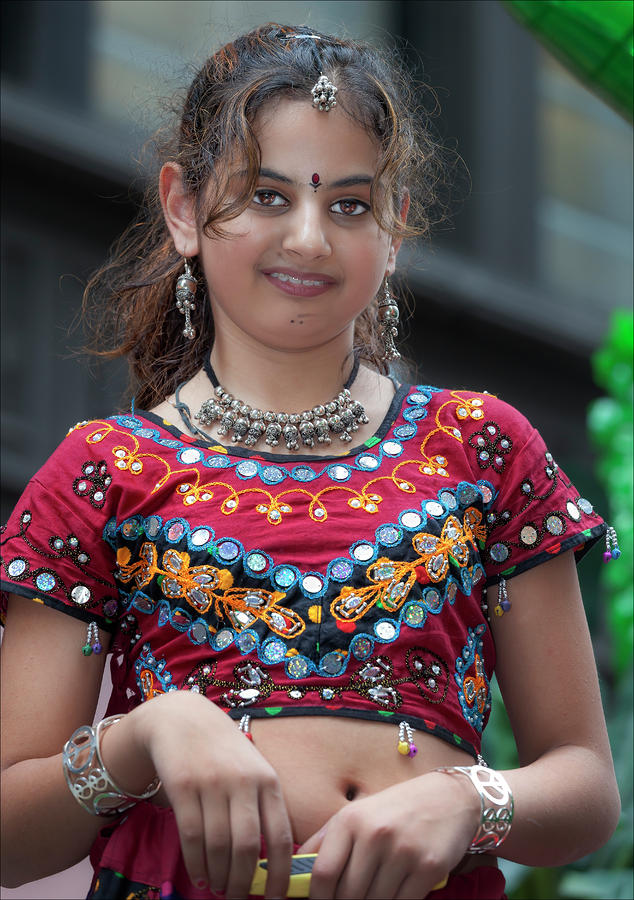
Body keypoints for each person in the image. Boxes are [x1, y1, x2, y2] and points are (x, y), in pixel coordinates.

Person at [0, 22, 621, 900]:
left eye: (351, 205)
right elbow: (8, 839)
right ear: (183, 208)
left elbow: (588, 788)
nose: (308, 239)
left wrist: (470, 799)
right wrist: (145, 736)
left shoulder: (483, 445)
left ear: (396, 228)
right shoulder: (103, 470)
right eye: (266, 196)